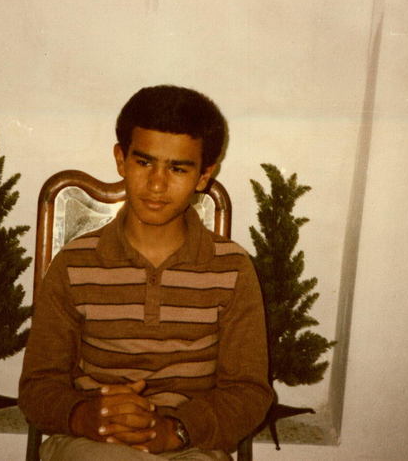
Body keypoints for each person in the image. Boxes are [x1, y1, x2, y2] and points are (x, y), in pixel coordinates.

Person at [19, 85, 272, 460]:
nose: (156, 184)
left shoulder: (232, 268)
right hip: (91, 443)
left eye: (178, 168)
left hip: (189, 446)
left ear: (204, 176)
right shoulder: (74, 264)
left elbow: (248, 393)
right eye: (144, 163)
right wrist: (85, 416)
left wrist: (173, 431)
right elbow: (38, 386)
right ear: (121, 160)